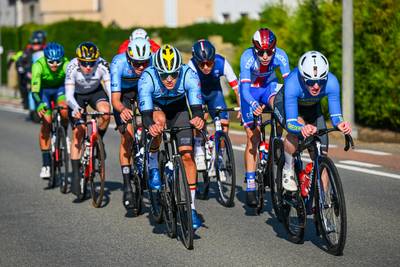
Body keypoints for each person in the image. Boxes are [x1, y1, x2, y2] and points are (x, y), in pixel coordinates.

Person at [138, 44, 204, 230]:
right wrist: (150, 126)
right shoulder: (147, 77)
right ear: (156, 70)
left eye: (174, 74)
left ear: (179, 70)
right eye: (164, 75)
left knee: (187, 156)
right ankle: (153, 164)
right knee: (158, 123)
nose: (169, 79)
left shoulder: (189, 74)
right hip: (156, 107)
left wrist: (198, 119)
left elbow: (197, 109)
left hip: (178, 108)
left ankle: (191, 208)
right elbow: (146, 115)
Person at [273, 51, 352, 191]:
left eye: (321, 81)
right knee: (296, 131)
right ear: (303, 78)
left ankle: (322, 204)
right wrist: (300, 129)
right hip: (289, 105)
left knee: (322, 154)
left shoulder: (332, 82)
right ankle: (288, 168)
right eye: (310, 81)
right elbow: (291, 123)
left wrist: (340, 123)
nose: (316, 86)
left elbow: (336, 115)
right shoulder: (292, 82)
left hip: (312, 108)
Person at [239, 28, 290, 207]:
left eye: (270, 51)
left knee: (281, 104)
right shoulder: (246, 57)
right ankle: (251, 184)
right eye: (261, 52)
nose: (266, 56)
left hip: (269, 87)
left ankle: (276, 141)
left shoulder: (281, 55)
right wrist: (253, 105)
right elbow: (244, 90)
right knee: (253, 137)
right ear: (255, 49)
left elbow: (289, 85)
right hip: (250, 91)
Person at [65, 42, 112, 198]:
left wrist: (115, 107)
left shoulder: (103, 65)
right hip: (77, 95)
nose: (88, 67)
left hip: (95, 92)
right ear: (78, 60)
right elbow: (69, 96)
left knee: (105, 113)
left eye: (91, 63)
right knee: (78, 131)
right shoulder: (71, 67)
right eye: (84, 63)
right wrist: (76, 109)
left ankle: (99, 140)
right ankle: (76, 175)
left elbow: (111, 91)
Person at [111, 38, 152, 209]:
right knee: (127, 137)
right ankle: (127, 185)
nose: (141, 67)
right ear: (129, 59)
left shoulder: (152, 62)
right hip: (124, 95)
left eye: (144, 63)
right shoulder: (118, 63)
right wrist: (122, 110)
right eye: (137, 63)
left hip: (144, 90)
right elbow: (115, 99)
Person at [188, 39, 240, 171]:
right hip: (197, 94)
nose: (205, 67)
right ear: (196, 61)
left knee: (224, 123)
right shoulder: (191, 66)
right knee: (199, 120)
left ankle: (221, 154)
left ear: (214, 59)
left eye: (209, 63)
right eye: (202, 64)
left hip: (215, 94)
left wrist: (242, 108)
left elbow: (236, 88)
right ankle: (199, 149)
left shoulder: (222, 62)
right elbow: (188, 91)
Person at [30, 42, 69, 178]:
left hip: (60, 89)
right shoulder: (38, 65)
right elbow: (34, 90)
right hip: (44, 92)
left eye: (57, 62)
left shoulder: (66, 63)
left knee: (64, 109)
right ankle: (46, 164)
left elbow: (72, 84)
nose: (54, 65)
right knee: (46, 122)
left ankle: (64, 132)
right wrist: (39, 103)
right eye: (51, 61)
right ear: (45, 59)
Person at [16, 30, 47, 111]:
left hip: (42, 75)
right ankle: (25, 100)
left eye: (38, 44)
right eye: (34, 44)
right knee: (22, 82)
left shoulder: (46, 50)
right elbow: (20, 61)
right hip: (29, 74)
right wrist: (23, 70)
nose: (35, 46)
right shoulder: (27, 52)